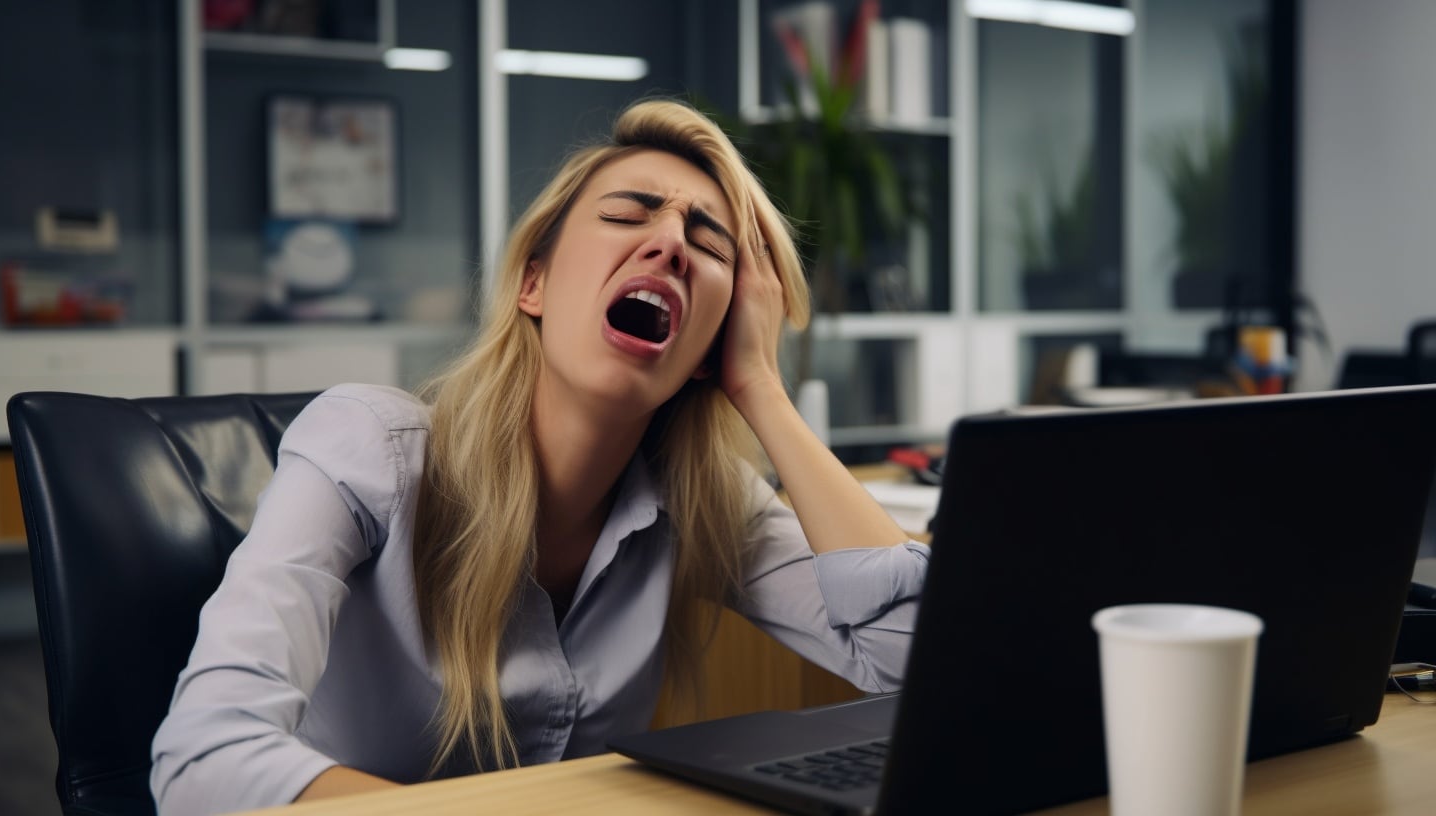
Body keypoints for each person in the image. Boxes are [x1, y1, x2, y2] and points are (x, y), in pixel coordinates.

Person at [150, 98, 929, 814]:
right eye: (630, 214)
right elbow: (203, 760)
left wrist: (760, 384)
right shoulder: (368, 449)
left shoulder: (707, 502)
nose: (668, 243)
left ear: (708, 348)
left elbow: (915, 663)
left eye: (706, 241)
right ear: (534, 283)